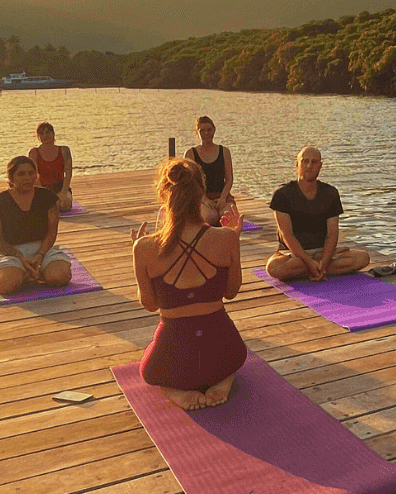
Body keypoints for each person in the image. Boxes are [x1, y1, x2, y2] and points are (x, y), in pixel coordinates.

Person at [131, 157, 247, 411]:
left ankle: (175, 391)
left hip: (173, 364)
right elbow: (231, 292)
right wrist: (233, 241)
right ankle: (223, 380)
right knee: (233, 359)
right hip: (224, 354)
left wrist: (139, 256)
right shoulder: (226, 238)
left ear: (164, 196)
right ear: (202, 193)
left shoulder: (144, 247)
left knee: (149, 371)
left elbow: (149, 304)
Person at [267, 144, 371, 281]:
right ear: (297, 164)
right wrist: (308, 261)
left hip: (323, 253)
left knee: (362, 258)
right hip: (293, 255)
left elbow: (332, 233)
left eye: (314, 162)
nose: (309, 166)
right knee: (274, 268)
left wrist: (325, 260)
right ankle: (316, 269)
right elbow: (287, 235)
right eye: (305, 161)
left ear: (320, 166)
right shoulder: (282, 194)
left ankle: (317, 268)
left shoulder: (330, 193)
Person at [0, 155, 74, 294]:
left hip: (42, 249)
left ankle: (32, 274)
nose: (27, 177)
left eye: (31, 173)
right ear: (11, 177)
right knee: (6, 285)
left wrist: (39, 255)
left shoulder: (47, 197)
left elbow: (51, 234)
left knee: (60, 276)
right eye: (21, 174)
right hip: (11, 253)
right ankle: (25, 274)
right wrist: (20, 258)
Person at [187, 114, 233, 224]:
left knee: (228, 217)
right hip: (202, 197)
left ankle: (230, 240)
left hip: (221, 195)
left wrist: (223, 198)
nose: (206, 133)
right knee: (209, 217)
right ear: (197, 132)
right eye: (202, 130)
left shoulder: (224, 151)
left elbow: (229, 179)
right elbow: (191, 182)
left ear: (214, 130)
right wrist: (204, 199)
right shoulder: (191, 153)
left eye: (209, 129)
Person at [29, 120, 73, 211]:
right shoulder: (34, 153)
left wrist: (63, 192)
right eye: (42, 133)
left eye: (48, 132)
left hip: (60, 187)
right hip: (42, 187)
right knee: (45, 207)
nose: (45, 135)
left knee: (64, 205)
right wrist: (44, 193)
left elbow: (68, 174)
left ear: (53, 133)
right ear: (38, 137)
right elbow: (33, 176)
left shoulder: (64, 150)